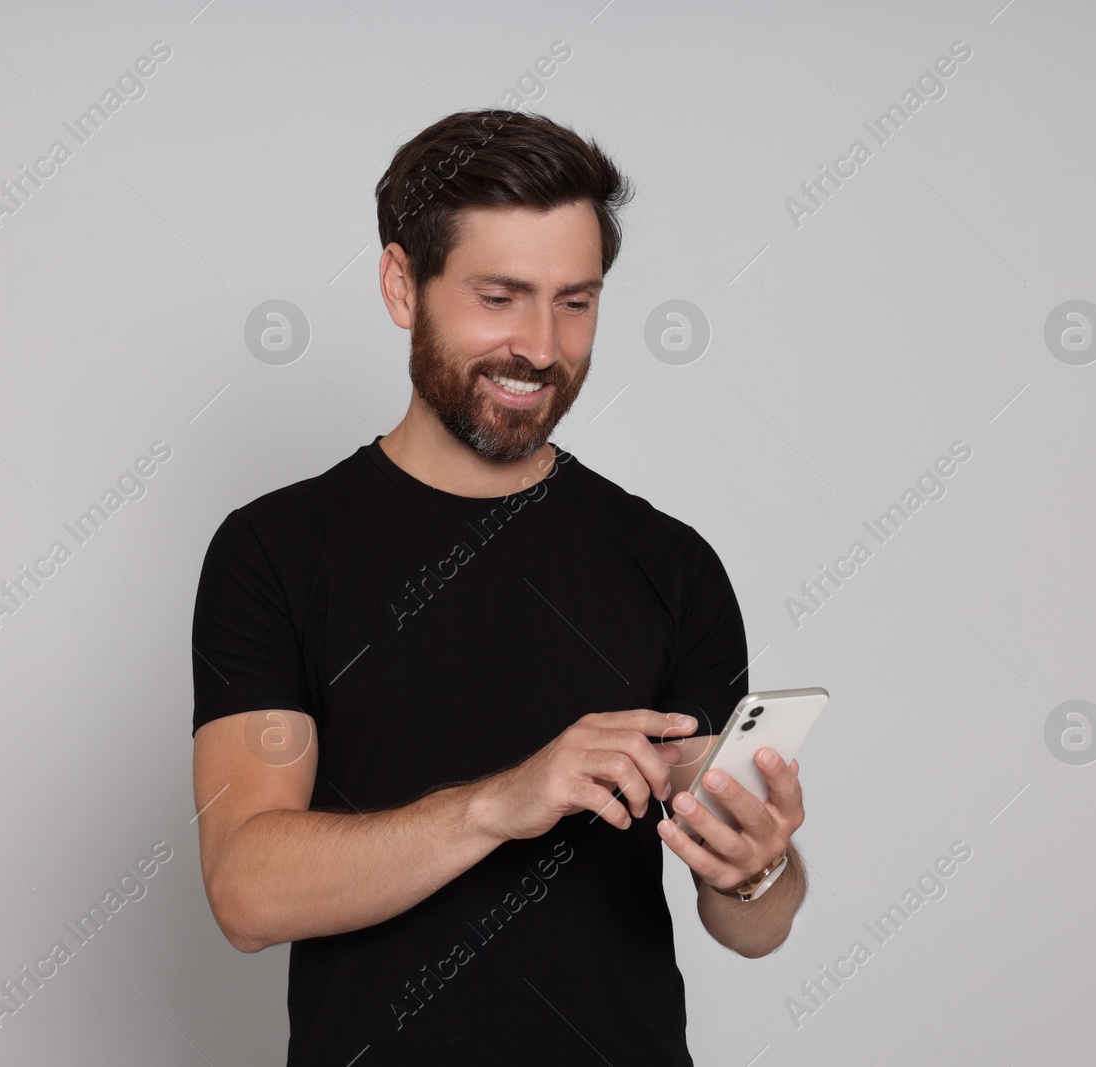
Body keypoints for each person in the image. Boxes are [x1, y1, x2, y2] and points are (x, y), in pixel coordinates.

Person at [190, 108, 808, 1066]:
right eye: (500, 296)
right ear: (403, 284)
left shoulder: (669, 562)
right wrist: (500, 802)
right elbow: (245, 889)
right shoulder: (276, 550)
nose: (541, 346)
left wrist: (759, 866)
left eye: (575, 300)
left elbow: (750, 926)